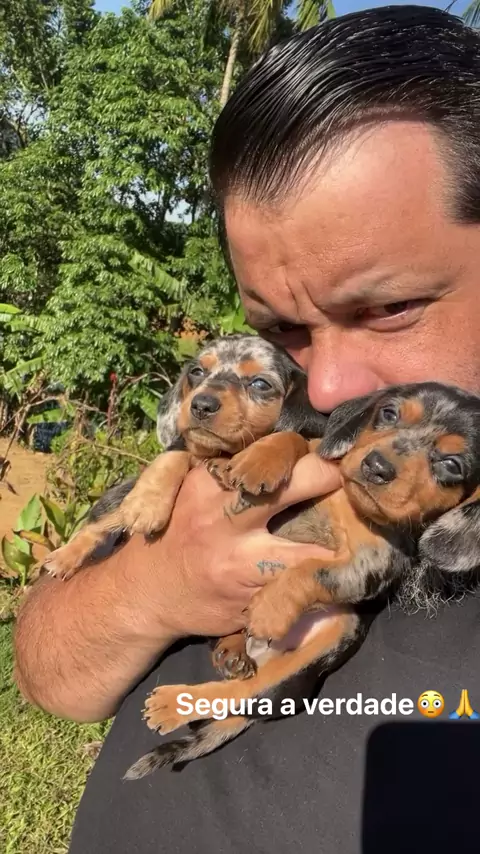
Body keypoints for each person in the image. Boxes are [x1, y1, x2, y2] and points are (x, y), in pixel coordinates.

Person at [13, 6, 480, 853]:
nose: (326, 388)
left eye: (389, 308)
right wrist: (155, 585)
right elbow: (50, 679)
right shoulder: (267, 443)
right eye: (282, 328)